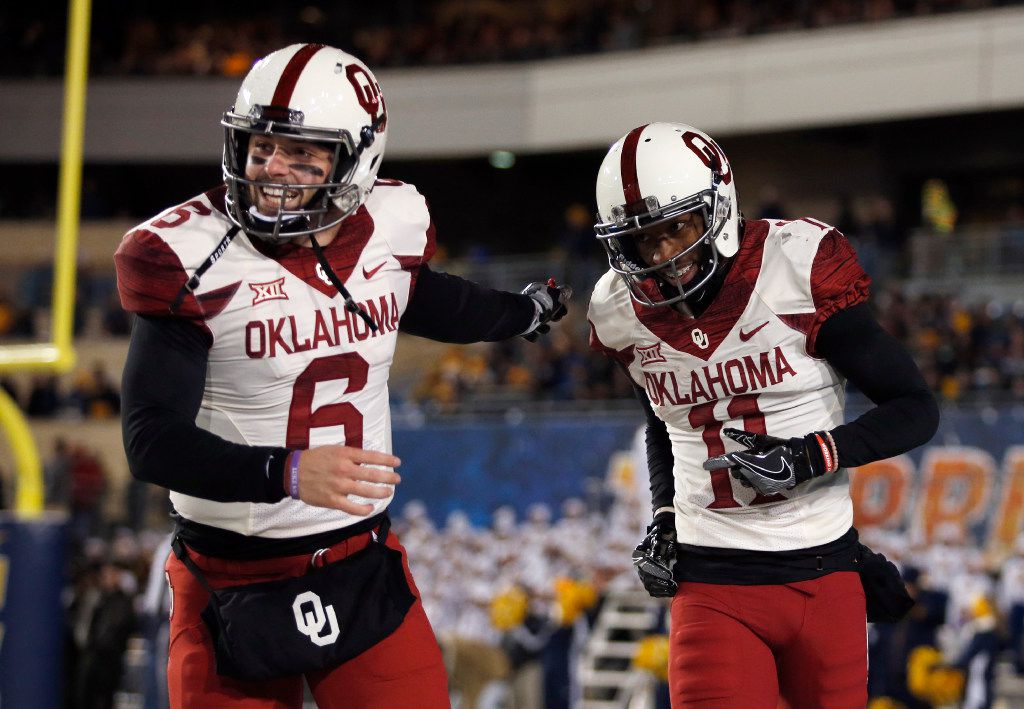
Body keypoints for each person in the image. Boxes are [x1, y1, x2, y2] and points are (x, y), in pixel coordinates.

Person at [114, 43, 570, 709]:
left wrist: (521, 312)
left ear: (357, 159)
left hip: (358, 566)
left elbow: (434, 300)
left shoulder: (387, 230)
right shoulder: (188, 257)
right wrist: (289, 471)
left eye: (304, 153)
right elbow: (149, 438)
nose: (273, 169)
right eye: (262, 146)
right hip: (227, 577)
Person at [586, 122, 939, 707]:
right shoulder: (620, 309)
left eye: (677, 228)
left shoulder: (796, 266)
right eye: (643, 241)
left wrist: (811, 455)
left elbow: (916, 408)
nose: (663, 256)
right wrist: (667, 513)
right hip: (712, 581)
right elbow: (666, 416)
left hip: (823, 574)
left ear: (719, 208)